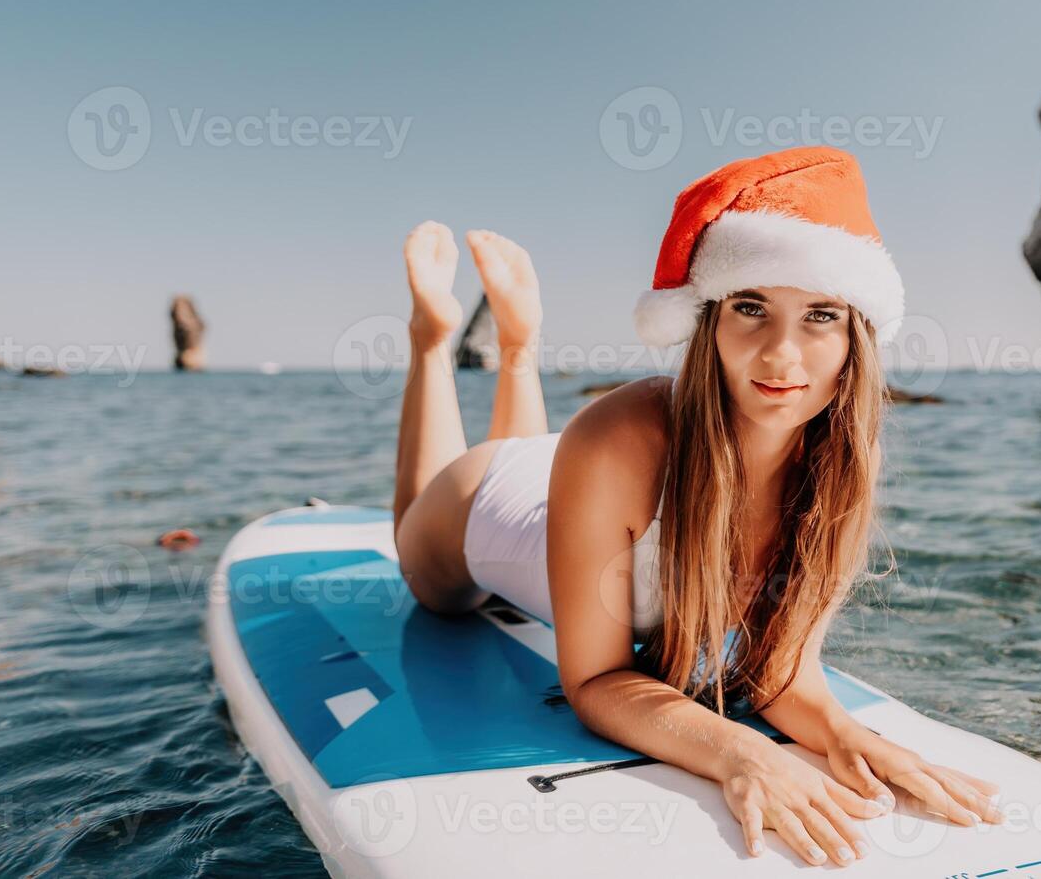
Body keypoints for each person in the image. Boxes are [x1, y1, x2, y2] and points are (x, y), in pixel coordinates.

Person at [392, 146, 1001, 867]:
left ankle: (518, 346)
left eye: (819, 316)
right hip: (490, 500)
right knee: (426, 572)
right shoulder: (619, 436)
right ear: (706, 324)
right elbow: (593, 681)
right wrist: (738, 753)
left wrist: (841, 733)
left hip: (578, 494)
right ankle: (433, 344)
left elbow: (780, 675)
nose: (781, 353)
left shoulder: (837, 468)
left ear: (854, 341)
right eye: (751, 308)